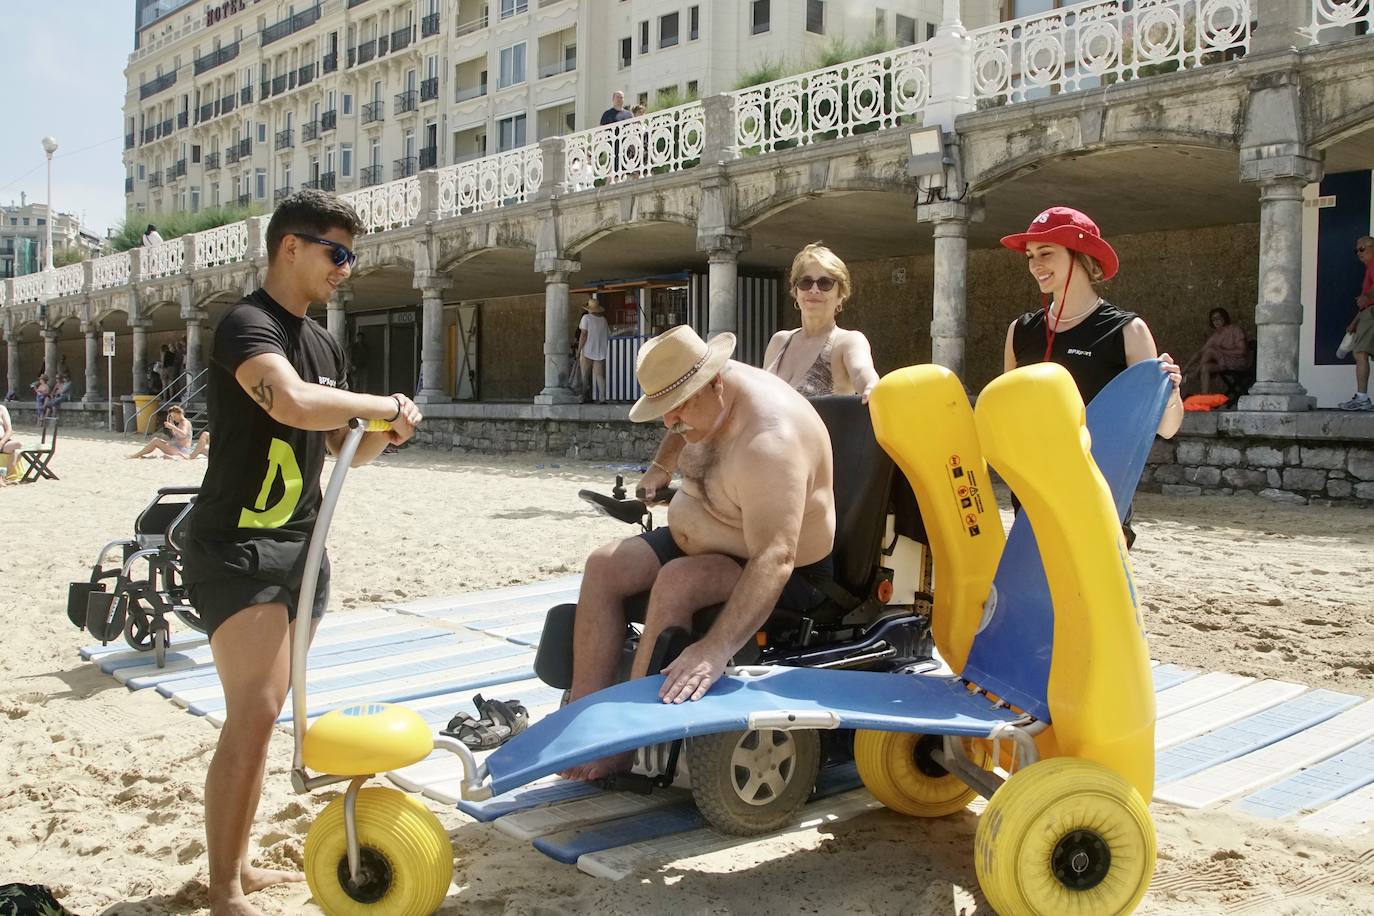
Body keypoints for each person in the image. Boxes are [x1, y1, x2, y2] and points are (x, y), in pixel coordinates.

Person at [177, 189, 422, 916]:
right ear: (292, 246)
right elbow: (286, 402)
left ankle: (239, 866)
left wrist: (389, 428)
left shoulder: (323, 341)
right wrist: (376, 404)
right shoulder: (246, 326)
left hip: (303, 549)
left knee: (268, 710)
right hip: (236, 549)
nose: (346, 268)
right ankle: (223, 889)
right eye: (336, 253)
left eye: (352, 256)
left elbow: (345, 443)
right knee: (251, 713)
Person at [563, 326, 836, 780]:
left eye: (681, 406)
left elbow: (776, 557)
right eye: (662, 412)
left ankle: (624, 741)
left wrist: (714, 649)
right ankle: (583, 719)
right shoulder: (698, 401)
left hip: (784, 569)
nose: (671, 422)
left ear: (716, 382)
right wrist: (660, 467)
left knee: (678, 581)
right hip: (709, 534)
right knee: (605, 564)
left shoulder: (770, 443)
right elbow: (681, 420)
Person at [1000, 206, 1183, 547]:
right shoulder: (1020, 331)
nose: (1035, 264)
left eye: (1046, 253)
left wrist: (1170, 392)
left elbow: (1167, 428)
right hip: (1032, 492)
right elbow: (1006, 415)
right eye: (1030, 255)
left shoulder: (1127, 330)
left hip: (1101, 492)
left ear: (1081, 255)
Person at [762, 243, 879, 401]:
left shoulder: (847, 341)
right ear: (796, 291)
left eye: (825, 283)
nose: (814, 290)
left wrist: (872, 386)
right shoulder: (779, 341)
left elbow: (861, 372)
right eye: (805, 282)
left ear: (841, 295)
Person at [1339, 234, 1374, 411]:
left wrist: (1367, 295)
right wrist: (1355, 322)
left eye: (1362, 248)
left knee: (1360, 353)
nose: (1358, 253)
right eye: (1356, 250)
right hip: (1368, 313)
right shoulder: (1369, 268)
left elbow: (1369, 300)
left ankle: (1362, 398)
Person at [1183, 308, 1250, 396]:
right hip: (1223, 363)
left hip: (1237, 362)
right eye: (1214, 319)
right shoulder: (1216, 336)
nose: (1216, 321)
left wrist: (1222, 350)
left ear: (1224, 318)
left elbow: (1242, 351)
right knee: (1205, 367)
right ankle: (1204, 396)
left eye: (1219, 318)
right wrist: (1185, 368)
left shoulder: (1235, 329)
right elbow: (1200, 352)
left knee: (1211, 350)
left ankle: (1194, 374)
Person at [127, 404, 195, 459]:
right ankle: (139, 454)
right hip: (178, 448)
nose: (173, 418)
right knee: (156, 440)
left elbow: (184, 434)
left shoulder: (184, 423)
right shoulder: (181, 423)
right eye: (172, 417)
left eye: (174, 416)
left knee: (156, 441)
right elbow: (176, 435)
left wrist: (172, 427)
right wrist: (172, 424)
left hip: (181, 450)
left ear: (179, 413)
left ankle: (136, 455)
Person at [576, 296, 610, 403]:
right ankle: (603, 397)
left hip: (587, 350)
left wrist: (578, 350)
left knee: (584, 375)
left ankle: (582, 397)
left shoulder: (586, 318)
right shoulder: (603, 320)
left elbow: (583, 334)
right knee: (599, 375)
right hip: (600, 351)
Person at [0, 402, 21, 485]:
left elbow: (9, 430)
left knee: (17, 445)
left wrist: (2, 442)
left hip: (2, 441)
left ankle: (4, 477)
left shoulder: (2, 409)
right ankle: (2, 478)